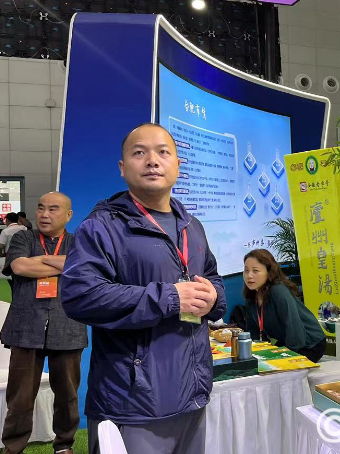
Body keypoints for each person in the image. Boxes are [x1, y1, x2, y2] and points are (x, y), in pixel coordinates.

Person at [61, 123, 226, 454]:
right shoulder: (102, 226)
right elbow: (80, 295)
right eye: (140, 153)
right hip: (132, 404)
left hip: (192, 395)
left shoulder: (191, 226)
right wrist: (170, 297)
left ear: (177, 164)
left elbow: (212, 276)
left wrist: (214, 297)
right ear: (123, 168)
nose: (152, 160)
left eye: (163, 152)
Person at [0, 192, 87, 454]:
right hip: (25, 325)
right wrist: (64, 265)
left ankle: (64, 445)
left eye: (53, 209)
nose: (45, 214)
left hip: (67, 325)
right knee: (20, 396)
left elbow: (84, 269)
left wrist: (39, 260)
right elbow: (20, 267)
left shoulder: (78, 242)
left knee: (67, 395)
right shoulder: (23, 238)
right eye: (40, 208)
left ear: (68, 215)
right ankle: (13, 447)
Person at [232, 249, 327, 362]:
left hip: (309, 344)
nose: (249, 275)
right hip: (286, 342)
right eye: (246, 270)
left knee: (273, 367)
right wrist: (253, 351)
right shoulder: (251, 295)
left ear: (269, 272)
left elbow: (293, 326)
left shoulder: (278, 290)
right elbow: (253, 330)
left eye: (255, 271)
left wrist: (288, 356)